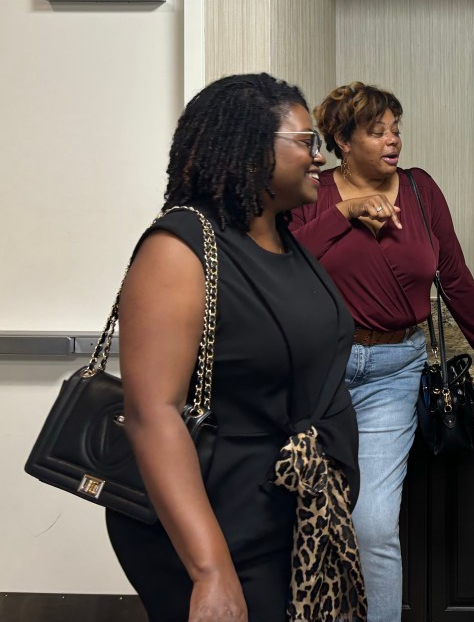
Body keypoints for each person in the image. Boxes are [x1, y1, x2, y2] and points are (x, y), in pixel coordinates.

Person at [106, 73, 365, 622]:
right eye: (306, 141)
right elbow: (152, 413)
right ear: (251, 150)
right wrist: (210, 570)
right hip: (218, 527)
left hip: (285, 515)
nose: (319, 157)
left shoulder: (282, 238)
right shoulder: (179, 248)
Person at [289, 81, 474, 621]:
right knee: (301, 516)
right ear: (343, 141)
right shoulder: (312, 192)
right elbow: (286, 264)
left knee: (374, 525)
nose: (393, 140)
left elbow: (454, 278)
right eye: (376, 131)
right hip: (319, 373)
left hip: (393, 371)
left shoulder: (420, 190)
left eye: (396, 129)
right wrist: (345, 213)